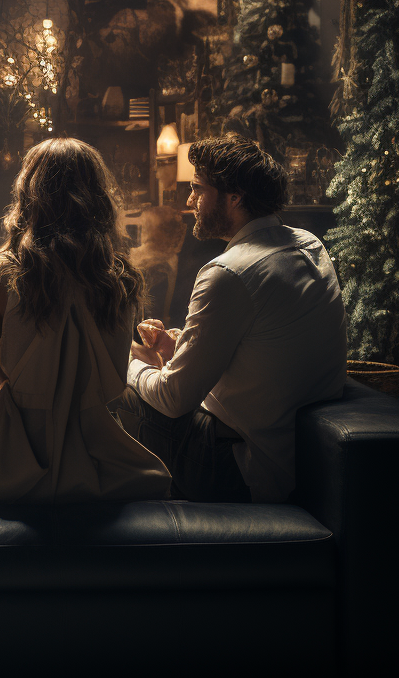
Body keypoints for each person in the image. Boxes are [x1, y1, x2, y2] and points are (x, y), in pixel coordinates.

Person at [0, 138, 171, 506]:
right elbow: (113, 368)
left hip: (29, 435)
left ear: (28, 195)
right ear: (99, 198)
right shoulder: (120, 277)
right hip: (96, 440)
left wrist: (31, 381)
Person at [111, 133, 348, 504]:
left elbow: (174, 399)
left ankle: (96, 518)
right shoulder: (308, 244)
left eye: (198, 190)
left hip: (243, 467)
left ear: (234, 196)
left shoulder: (229, 272)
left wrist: (121, 364)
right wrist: (181, 346)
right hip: (298, 456)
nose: (189, 202)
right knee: (145, 367)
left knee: (111, 383)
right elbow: (263, 353)